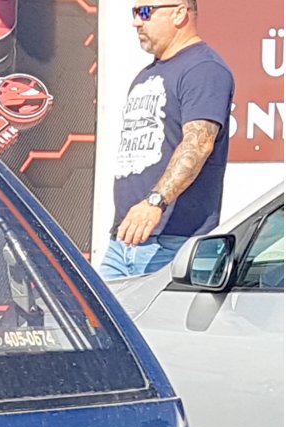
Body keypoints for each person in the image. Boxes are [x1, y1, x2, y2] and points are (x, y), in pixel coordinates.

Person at [101, 0, 234, 279]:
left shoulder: (204, 68)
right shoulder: (147, 75)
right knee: (98, 323)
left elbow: (198, 143)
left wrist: (154, 203)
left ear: (179, 13)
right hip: (125, 242)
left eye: (146, 12)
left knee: (157, 325)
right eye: (135, 13)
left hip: (174, 244)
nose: (137, 22)